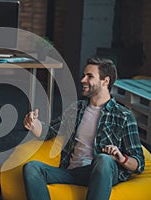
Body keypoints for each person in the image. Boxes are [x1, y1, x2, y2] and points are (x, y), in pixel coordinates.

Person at [23, 57, 145, 200]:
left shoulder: (123, 115)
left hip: (102, 172)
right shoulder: (77, 108)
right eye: (84, 75)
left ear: (105, 81)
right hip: (74, 172)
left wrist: (120, 157)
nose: (82, 80)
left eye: (90, 76)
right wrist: (34, 124)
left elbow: (139, 163)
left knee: (103, 160)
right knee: (32, 168)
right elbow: (49, 131)